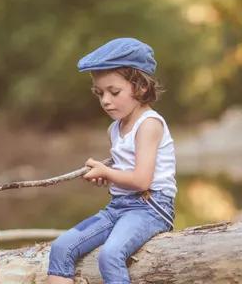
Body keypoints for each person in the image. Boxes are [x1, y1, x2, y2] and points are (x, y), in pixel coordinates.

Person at [47, 37, 177, 284]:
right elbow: (124, 173)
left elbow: (141, 180)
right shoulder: (115, 129)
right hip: (118, 206)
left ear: (140, 87)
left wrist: (107, 172)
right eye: (100, 93)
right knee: (61, 247)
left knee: (110, 255)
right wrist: (105, 175)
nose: (105, 100)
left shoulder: (148, 125)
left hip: (151, 208)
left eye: (113, 92)